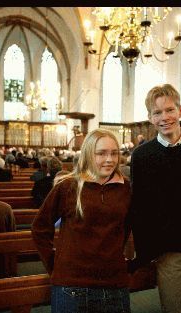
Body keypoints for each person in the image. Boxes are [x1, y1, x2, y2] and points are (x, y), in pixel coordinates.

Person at [32, 129, 132, 313]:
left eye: (114, 153)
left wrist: (116, 256)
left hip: (114, 283)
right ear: (87, 154)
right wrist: (54, 264)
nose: (109, 159)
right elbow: (40, 228)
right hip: (71, 285)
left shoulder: (125, 188)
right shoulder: (68, 186)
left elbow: (125, 228)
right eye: (101, 153)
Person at [129, 83, 181, 313]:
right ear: (150, 118)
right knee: (174, 308)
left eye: (170, 110)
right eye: (157, 112)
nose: (164, 117)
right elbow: (139, 206)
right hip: (169, 249)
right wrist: (145, 252)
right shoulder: (141, 155)